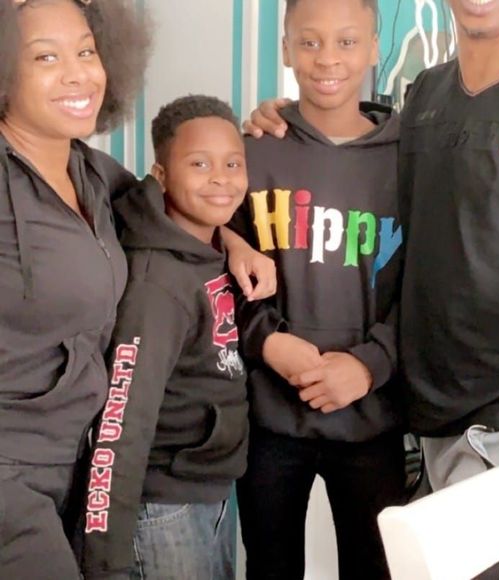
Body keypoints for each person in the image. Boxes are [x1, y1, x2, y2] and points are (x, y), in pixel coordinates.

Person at [246, 1, 499, 578]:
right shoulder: (426, 94)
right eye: (311, 43)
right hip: (429, 416)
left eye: (347, 42)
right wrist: (280, 122)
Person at [0, 1, 273, 577]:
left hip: (77, 465)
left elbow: (172, 206)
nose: (77, 73)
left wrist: (231, 240)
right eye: (45, 57)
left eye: (86, 51)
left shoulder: (94, 174)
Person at [230, 1, 406, 579]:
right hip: (269, 422)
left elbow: (429, 289)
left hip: (372, 418)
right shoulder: (252, 151)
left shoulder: (411, 160)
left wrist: (371, 364)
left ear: (374, 47)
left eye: (347, 41)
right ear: (286, 49)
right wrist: (266, 340)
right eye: (309, 42)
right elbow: (216, 267)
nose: (328, 58)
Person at [81, 95, 249, 580]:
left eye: (232, 163)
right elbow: (122, 422)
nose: (221, 178)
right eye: (199, 164)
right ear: (161, 175)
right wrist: (106, 559)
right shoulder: (157, 286)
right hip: (163, 507)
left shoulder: (207, 245)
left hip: (207, 488)